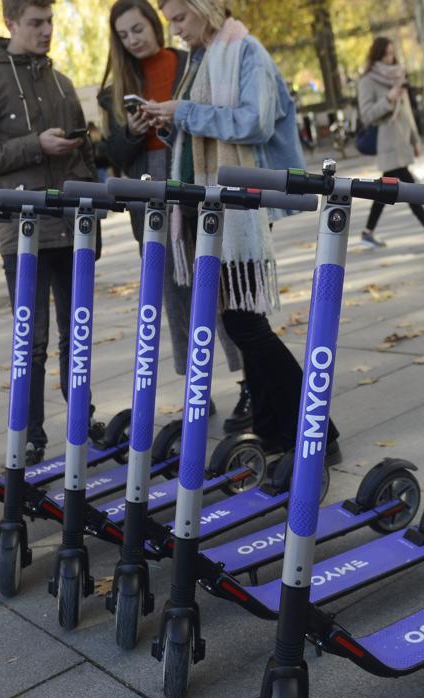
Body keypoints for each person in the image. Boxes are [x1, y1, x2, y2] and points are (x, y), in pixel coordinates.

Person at [148, 0, 341, 461]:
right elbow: (203, 135)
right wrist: (169, 121)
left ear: (205, 7)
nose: (174, 29)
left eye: (179, 17)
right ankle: (275, 432)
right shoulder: (205, 56)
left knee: (244, 323)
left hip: (241, 203)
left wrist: (185, 113)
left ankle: (319, 432)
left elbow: (252, 122)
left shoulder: (245, 50)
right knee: (240, 322)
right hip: (213, 202)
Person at [98, 0, 251, 431]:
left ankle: (247, 381)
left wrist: (172, 117)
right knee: (172, 293)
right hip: (147, 192)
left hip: (194, 177)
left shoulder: (191, 59)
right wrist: (131, 130)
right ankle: (195, 389)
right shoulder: (115, 86)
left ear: (155, 23)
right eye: (124, 35)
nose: (133, 39)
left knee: (216, 284)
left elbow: (214, 115)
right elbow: (113, 154)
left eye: (138, 28)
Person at [0, 0, 96, 465]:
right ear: (11, 23)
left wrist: (90, 220)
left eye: (50, 21)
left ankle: (81, 419)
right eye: (36, 23)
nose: (46, 30)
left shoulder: (61, 82)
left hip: (72, 226)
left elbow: (83, 161)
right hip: (23, 233)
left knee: (75, 333)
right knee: (31, 340)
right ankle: (31, 433)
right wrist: (35, 145)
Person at [355, 37, 424, 250]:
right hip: (387, 144)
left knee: (386, 190)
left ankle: (367, 232)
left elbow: (407, 113)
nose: (390, 58)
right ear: (378, 55)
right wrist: (388, 99)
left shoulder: (398, 76)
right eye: (386, 54)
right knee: (408, 189)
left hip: (402, 143)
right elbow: (367, 115)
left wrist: (415, 140)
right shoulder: (368, 81)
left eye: (392, 53)